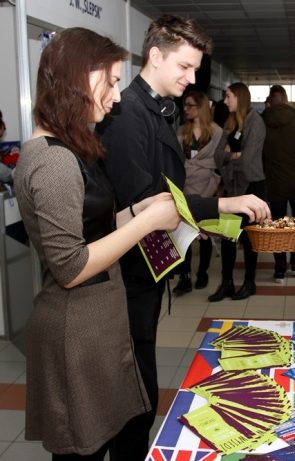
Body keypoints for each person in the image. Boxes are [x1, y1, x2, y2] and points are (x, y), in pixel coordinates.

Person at [98, 15, 270, 458]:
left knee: (140, 384)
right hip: (128, 274)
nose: (192, 79)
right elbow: (145, 199)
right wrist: (222, 205)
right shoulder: (126, 113)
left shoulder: (155, 107)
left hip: (147, 267)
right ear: (155, 56)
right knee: (134, 395)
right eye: (185, 67)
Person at [13, 28, 181, 459]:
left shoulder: (67, 150)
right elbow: (71, 266)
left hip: (96, 325)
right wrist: (145, 226)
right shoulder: (52, 161)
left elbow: (90, 228)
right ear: (78, 80)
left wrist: (137, 213)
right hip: (76, 333)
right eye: (110, 81)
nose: (116, 95)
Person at [208, 82, 267, 301]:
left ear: (239, 98)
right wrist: (233, 156)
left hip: (250, 187)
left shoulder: (256, 122)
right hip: (232, 188)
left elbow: (249, 160)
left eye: (228, 96)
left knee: (249, 238)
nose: (225, 101)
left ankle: (249, 282)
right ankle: (226, 282)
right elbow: (217, 156)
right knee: (227, 237)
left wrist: (230, 155)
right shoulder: (231, 122)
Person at [172, 91, 223, 295]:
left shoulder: (216, 132)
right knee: (183, 234)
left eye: (190, 105)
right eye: (185, 105)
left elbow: (215, 161)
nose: (185, 109)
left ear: (200, 107)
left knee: (205, 234)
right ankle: (184, 276)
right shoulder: (181, 131)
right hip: (186, 188)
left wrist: (194, 165)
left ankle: (202, 272)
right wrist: (197, 166)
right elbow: (179, 162)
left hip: (209, 187)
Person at [262, 84, 295, 283]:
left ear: (271, 100)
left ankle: (279, 269)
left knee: (276, 226)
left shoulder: (262, 121)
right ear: (285, 98)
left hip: (273, 182)